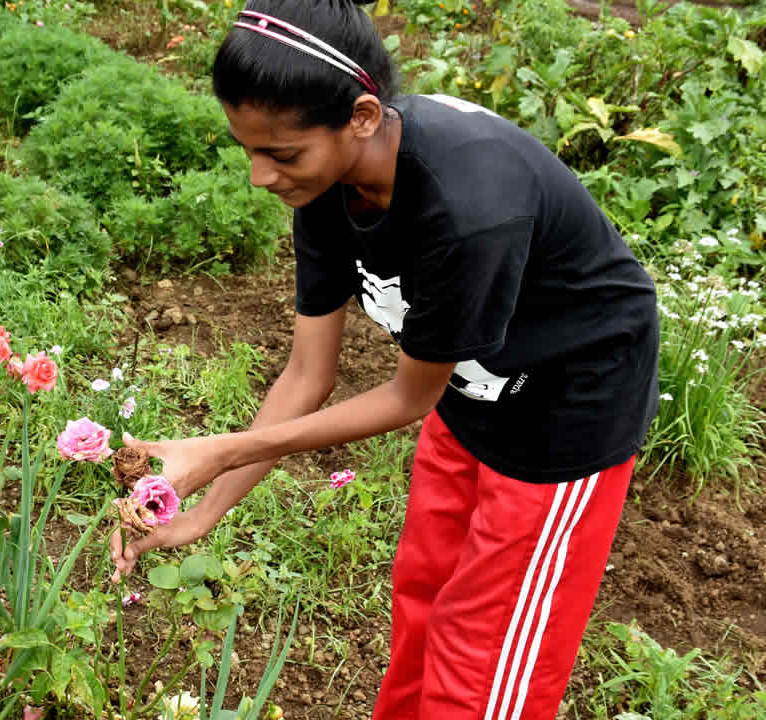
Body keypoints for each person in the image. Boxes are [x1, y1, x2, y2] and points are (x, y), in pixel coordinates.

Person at [108, 1, 660, 718]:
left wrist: (218, 451)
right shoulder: (328, 184)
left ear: (363, 117)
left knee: (483, 657)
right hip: (471, 387)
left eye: (281, 154)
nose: (259, 177)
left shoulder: (468, 210)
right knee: (423, 598)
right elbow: (308, 375)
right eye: (249, 150)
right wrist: (202, 513)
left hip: (565, 411)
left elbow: (407, 398)